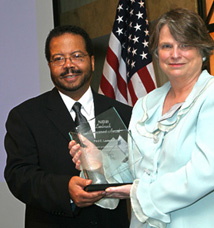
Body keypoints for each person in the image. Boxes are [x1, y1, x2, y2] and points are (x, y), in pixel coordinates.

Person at [69, 8, 214, 228]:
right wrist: (99, 164)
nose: (175, 54)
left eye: (185, 45)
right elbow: (132, 170)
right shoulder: (146, 104)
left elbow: (206, 173)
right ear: (156, 53)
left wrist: (138, 192)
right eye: (166, 46)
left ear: (202, 50)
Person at [4, 25, 131, 228]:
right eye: (58, 58)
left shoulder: (124, 114)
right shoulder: (25, 116)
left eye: (77, 56)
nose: (68, 65)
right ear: (49, 65)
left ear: (91, 61)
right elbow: (19, 176)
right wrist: (66, 190)